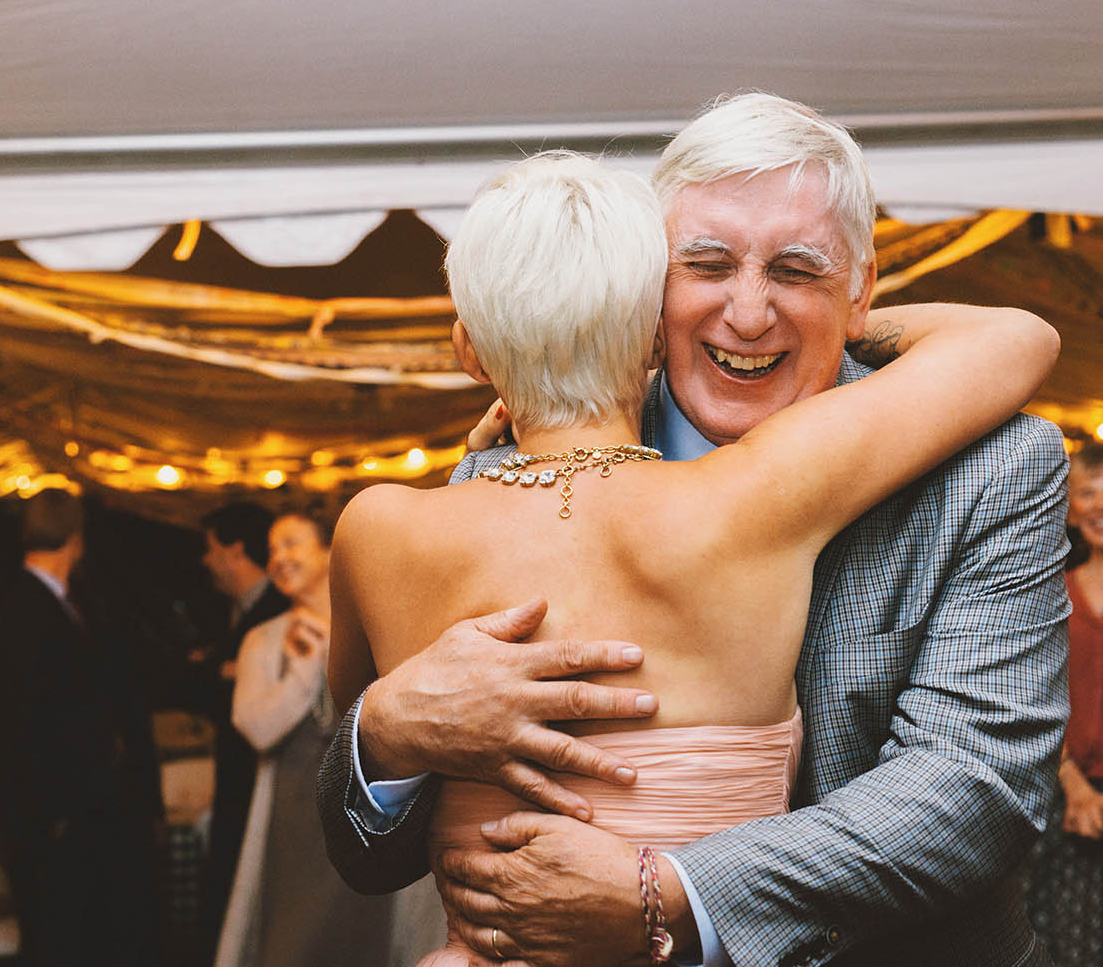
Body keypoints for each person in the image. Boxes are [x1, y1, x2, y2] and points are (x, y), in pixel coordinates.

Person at [318, 94, 1072, 967]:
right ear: (649, 290)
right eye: (706, 265)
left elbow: (975, 788)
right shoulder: (493, 479)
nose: (748, 315)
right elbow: (368, 856)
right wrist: (390, 733)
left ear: (861, 289)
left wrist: (670, 890)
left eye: (798, 272)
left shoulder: (996, 463)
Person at [0, 487, 162, 967]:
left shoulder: (69, 603)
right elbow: (13, 728)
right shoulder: (19, 610)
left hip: (81, 817)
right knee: (59, 942)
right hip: (53, 821)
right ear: (76, 539)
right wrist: (40, 820)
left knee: (86, 938)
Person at [216, 511, 397, 967]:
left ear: (331, 552)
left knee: (366, 939)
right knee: (290, 944)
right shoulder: (263, 639)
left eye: (292, 544)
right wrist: (303, 669)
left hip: (364, 814)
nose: (278, 558)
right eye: (272, 549)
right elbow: (256, 729)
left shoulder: (378, 628)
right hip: (293, 817)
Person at [195, 501, 291, 961]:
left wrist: (226, 674)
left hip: (268, 777)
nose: (204, 560)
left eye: (210, 548)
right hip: (242, 776)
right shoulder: (239, 618)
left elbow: (254, 718)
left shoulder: (285, 617)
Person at [1027, 442, 1103, 966]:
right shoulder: (1055, 595)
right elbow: (1034, 700)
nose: (1101, 506)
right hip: (1072, 806)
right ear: (1072, 507)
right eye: (1089, 493)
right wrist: (1075, 789)